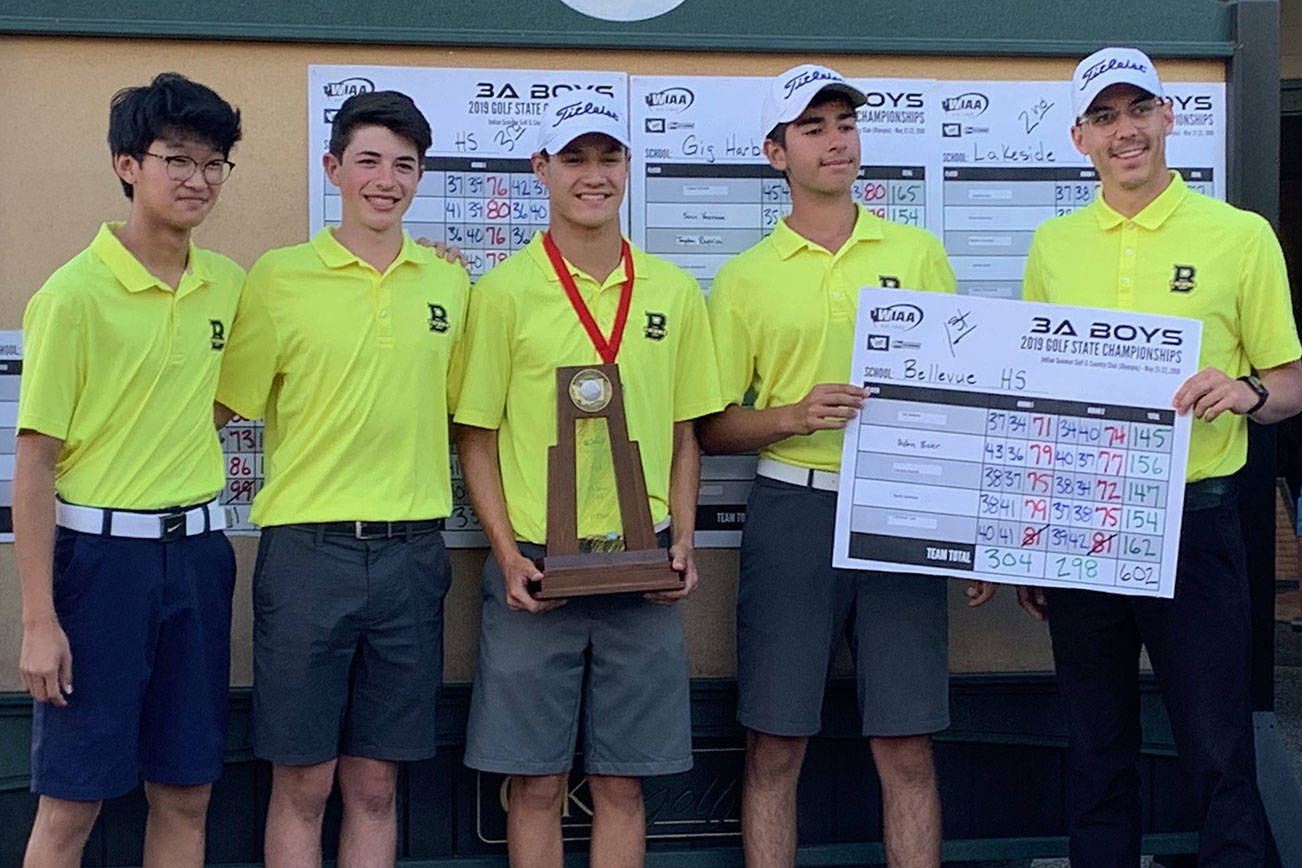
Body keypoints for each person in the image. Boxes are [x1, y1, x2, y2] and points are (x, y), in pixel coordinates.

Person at [1018, 46, 1302, 866]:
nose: (1125, 131)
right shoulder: (1053, 245)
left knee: (1217, 747)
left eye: (1138, 110)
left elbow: (1289, 382)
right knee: (1095, 747)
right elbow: (1039, 396)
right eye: (1104, 117)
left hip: (1197, 517)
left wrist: (1245, 390)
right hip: (1083, 521)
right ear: (1079, 137)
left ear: (1169, 116)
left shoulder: (1239, 235)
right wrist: (1035, 532)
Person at [698, 64, 970, 868]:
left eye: (844, 124)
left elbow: (963, 401)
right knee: (775, 743)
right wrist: (792, 416)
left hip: (906, 508)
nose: (835, 141)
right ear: (775, 153)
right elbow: (711, 426)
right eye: (812, 129)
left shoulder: (918, 252)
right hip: (794, 508)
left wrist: (974, 528)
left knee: (908, 745)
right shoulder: (745, 278)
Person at [453, 93, 723, 868]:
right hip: (537, 568)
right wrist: (507, 555)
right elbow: (477, 436)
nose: (593, 175)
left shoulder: (672, 290)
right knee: (534, 785)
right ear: (541, 169)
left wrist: (684, 543)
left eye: (609, 158)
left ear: (629, 169)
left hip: (642, 570)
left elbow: (684, 431)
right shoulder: (502, 292)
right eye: (574, 158)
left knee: (622, 785)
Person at [214, 90, 470, 868]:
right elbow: (221, 411)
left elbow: (472, 419)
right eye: (368, 161)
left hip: (412, 557)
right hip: (306, 557)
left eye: (404, 165)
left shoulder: (449, 282)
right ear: (334, 169)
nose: (385, 179)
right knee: (303, 782)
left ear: (420, 177)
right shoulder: (278, 278)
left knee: (376, 785)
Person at [15, 73, 243, 868]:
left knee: (187, 791)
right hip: (98, 566)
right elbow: (35, 459)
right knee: (72, 798)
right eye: (176, 159)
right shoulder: (73, 295)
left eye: (214, 163)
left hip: (200, 560)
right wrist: (39, 619)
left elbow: (220, 401)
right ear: (126, 165)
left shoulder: (229, 287)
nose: (197, 180)